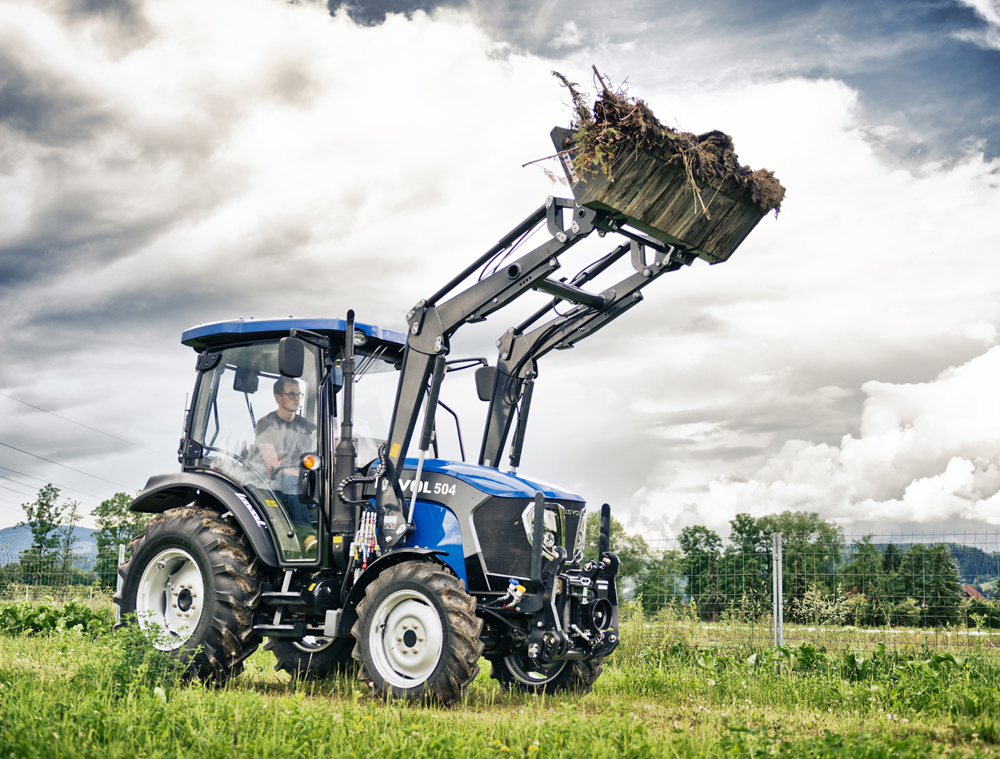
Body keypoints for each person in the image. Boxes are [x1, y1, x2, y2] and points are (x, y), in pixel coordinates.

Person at [255, 377, 318, 553]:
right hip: (269, 480)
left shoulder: (304, 425)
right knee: (293, 479)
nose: (297, 399)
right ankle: (307, 537)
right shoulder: (265, 424)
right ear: (278, 397)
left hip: (298, 477)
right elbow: (273, 463)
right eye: (291, 394)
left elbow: (324, 436)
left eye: (299, 394)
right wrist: (299, 473)